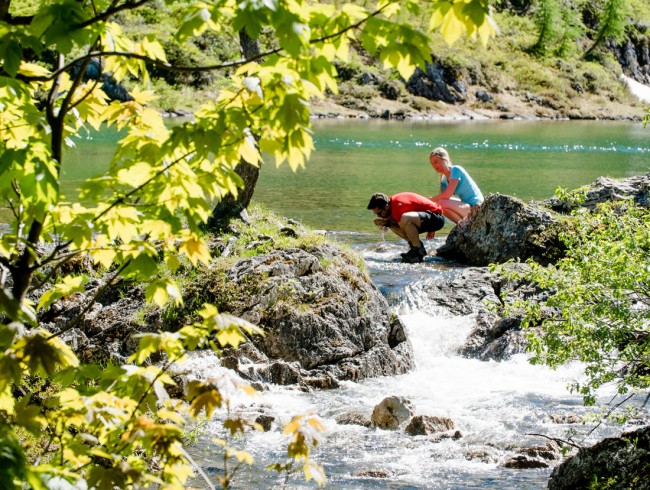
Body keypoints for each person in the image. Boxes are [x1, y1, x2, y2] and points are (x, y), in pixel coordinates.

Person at [367, 192, 445, 263]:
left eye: (379, 213)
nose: (379, 216)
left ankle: (417, 249)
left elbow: (404, 229)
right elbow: (394, 226)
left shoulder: (398, 205)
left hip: (436, 217)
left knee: (405, 218)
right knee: (391, 224)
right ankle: (415, 247)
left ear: (386, 206)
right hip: (425, 217)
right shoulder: (390, 205)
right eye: (376, 215)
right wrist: (385, 224)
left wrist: (387, 222)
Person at [428, 147, 484, 223]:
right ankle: (462, 226)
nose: (434, 165)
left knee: (442, 203)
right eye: (432, 163)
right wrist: (441, 181)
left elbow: (447, 195)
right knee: (440, 203)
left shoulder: (456, 170)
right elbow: (442, 199)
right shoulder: (444, 180)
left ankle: (463, 227)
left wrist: (429, 199)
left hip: (477, 207)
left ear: (444, 159)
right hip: (466, 207)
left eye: (436, 161)